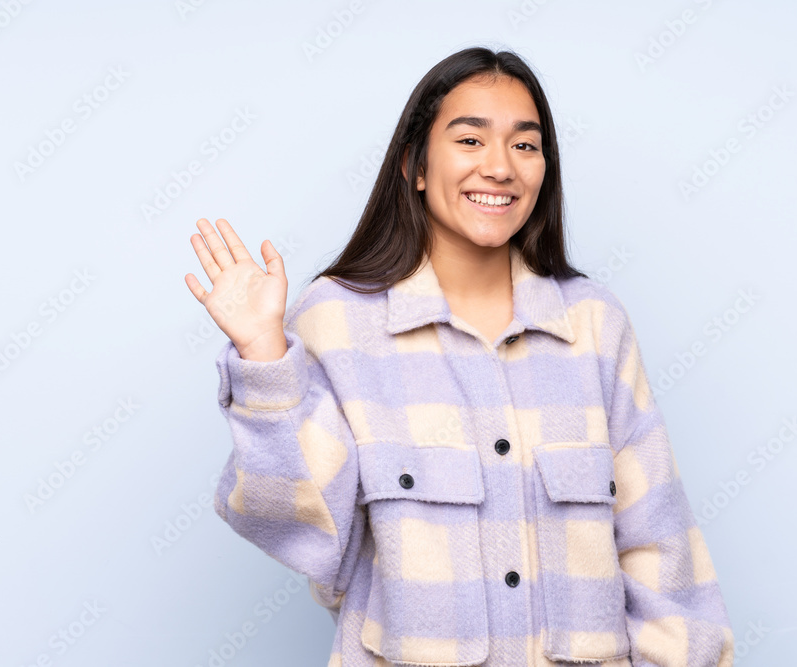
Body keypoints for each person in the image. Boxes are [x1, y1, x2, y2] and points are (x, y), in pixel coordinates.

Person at [185, 46, 734, 667]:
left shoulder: (594, 324)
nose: (500, 167)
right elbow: (308, 531)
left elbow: (661, 549)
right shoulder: (336, 320)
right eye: (470, 140)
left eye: (525, 146)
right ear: (414, 166)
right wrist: (263, 355)